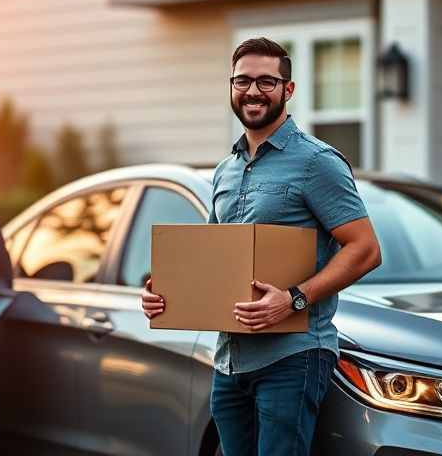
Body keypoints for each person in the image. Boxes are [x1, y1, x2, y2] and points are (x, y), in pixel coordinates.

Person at [141, 37, 381, 455]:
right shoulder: (224, 171)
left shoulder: (317, 162)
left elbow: (364, 249)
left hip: (293, 357)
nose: (253, 91)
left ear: (288, 90)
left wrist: (293, 300)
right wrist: (166, 294)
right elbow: (214, 257)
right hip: (229, 359)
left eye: (266, 82)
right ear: (231, 88)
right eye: (243, 81)